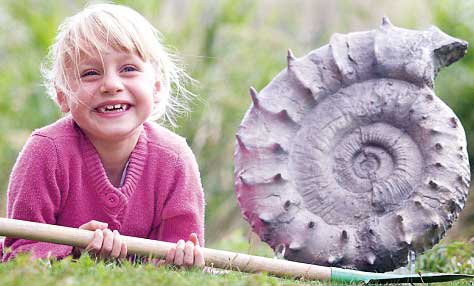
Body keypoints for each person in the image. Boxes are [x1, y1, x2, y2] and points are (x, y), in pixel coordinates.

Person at [2, 3, 205, 268]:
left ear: (156, 87)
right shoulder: (45, 152)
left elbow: (182, 251)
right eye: (90, 73)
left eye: (128, 69)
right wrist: (74, 249)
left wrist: (182, 263)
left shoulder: (175, 159)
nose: (111, 84)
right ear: (63, 96)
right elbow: (19, 254)